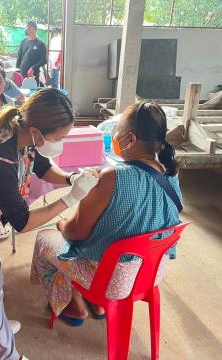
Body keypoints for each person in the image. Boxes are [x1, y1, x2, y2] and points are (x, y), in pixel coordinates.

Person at [0, 88, 99, 360]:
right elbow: (23, 223)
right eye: (59, 138)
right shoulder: (0, 159)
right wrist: (70, 199)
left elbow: (43, 166)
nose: (61, 143)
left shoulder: (20, 133)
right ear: (36, 131)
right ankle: (7, 353)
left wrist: (71, 179)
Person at [31, 102, 182, 325]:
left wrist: (61, 224)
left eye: (117, 131)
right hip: (150, 275)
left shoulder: (111, 176)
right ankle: (98, 305)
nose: (113, 136)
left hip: (111, 281)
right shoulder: (171, 173)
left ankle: (72, 304)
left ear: (130, 139)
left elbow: (75, 233)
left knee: (46, 238)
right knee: (115, 237)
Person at [16, 20, 47, 86]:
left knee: (33, 95)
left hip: (33, 75)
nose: (28, 29)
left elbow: (44, 60)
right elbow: (19, 57)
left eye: (30, 27)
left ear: (35, 29)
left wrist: (33, 68)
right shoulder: (24, 41)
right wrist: (16, 71)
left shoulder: (40, 43)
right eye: (27, 27)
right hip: (21, 73)